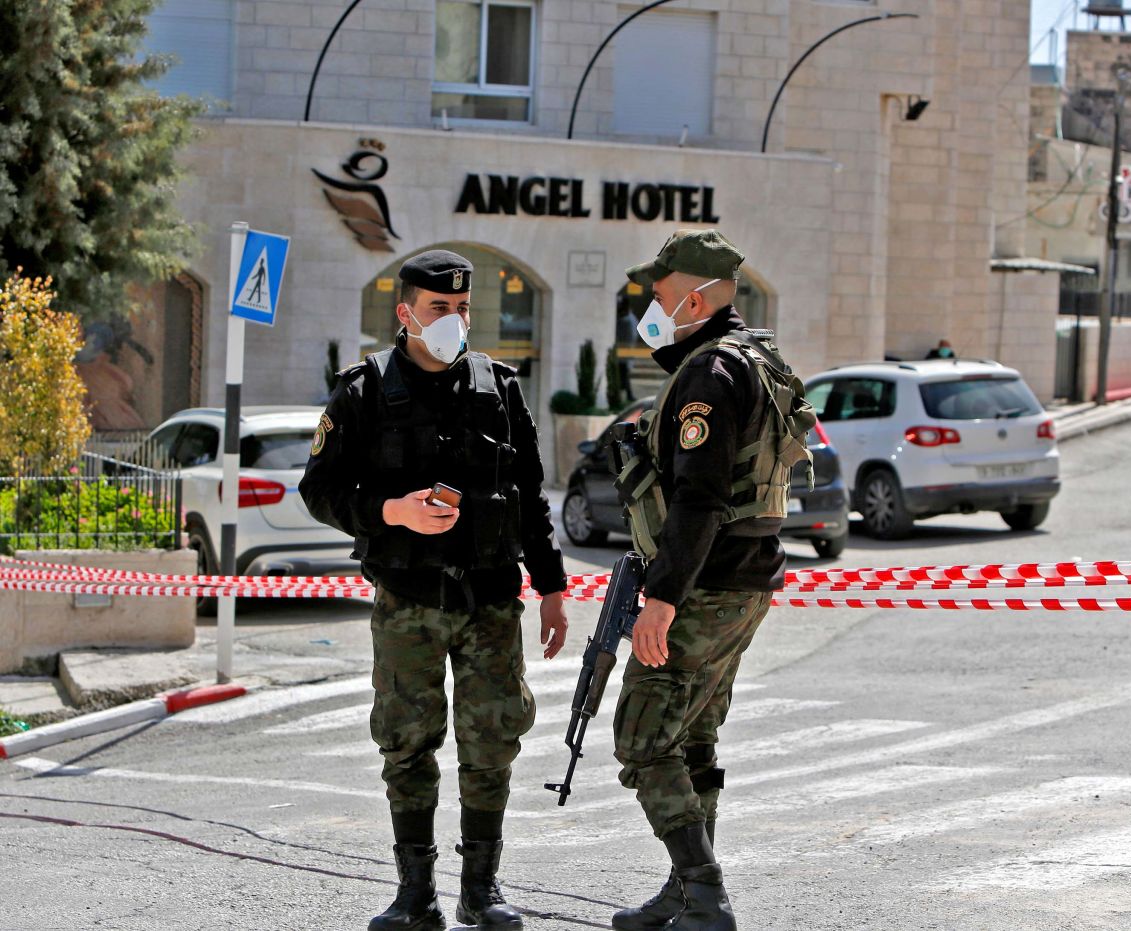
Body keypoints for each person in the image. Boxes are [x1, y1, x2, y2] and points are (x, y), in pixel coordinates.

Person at [299, 249, 569, 931]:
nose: (454, 320)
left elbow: (530, 496)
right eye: (438, 308)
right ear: (405, 313)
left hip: (490, 601)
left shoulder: (500, 388)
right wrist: (393, 510)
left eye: (463, 308)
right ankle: (415, 893)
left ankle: (482, 887)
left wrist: (553, 586)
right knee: (407, 741)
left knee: (492, 740)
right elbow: (319, 490)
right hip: (407, 600)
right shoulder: (363, 391)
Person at [608, 230, 814, 931]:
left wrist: (661, 597)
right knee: (693, 736)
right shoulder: (753, 359)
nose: (651, 306)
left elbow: (699, 498)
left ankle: (705, 888)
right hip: (746, 581)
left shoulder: (709, 375)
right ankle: (683, 891)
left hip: (707, 583)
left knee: (642, 737)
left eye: (661, 295)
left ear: (694, 296)